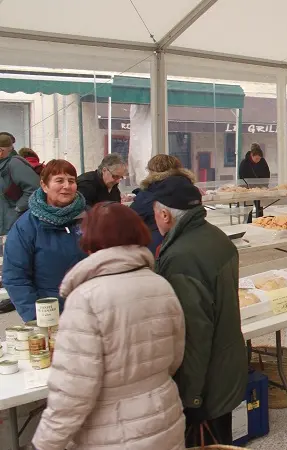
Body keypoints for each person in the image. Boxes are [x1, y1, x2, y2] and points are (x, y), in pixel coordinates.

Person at [32, 203, 185, 450]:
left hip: (111, 432)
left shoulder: (85, 298)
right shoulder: (161, 286)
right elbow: (175, 357)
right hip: (165, 417)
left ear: (90, 241)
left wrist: (44, 444)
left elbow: (72, 392)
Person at [150, 175, 247, 446]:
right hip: (226, 366)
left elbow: (194, 333)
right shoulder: (217, 237)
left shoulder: (182, 258)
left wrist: (190, 397)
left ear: (165, 215)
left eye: (155, 214)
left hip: (206, 384)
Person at [2, 160, 87, 321]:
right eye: (59, 180)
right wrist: (36, 317)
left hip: (94, 312)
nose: (67, 186)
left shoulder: (91, 218)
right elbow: (15, 277)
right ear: (44, 185)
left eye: (71, 181)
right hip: (53, 316)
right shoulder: (26, 227)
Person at [130, 154, 195, 255]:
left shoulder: (149, 193)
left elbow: (131, 219)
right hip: (190, 243)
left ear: (152, 172)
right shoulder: (189, 189)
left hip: (157, 247)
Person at [0, 134, 39, 235]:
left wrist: (17, 209)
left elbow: (34, 188)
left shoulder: (15, 163)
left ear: (1, 151)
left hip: (12, 224)